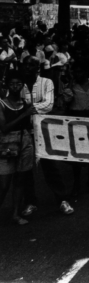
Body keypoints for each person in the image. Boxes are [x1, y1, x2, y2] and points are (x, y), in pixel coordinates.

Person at [20, 56, 75, 216]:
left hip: (43, 131)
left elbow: (48, 104)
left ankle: (62, 199)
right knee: (26, 168)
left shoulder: (46, 82)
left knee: (50, 166)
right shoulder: (19, 84)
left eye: (32, 65)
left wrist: (26, 109)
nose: (28, 68)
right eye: (26, 65)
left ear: (38, 68)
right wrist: (27, 110)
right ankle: (30, 202)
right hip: (25, 131)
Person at [61, 61, 89, 196]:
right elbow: (66, 101)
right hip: (76, 119)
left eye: (80, 71)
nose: (78, 74)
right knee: (77, 153)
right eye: (76, 72)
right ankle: (76, 183)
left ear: (86, 72)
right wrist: (69, 85)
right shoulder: (71, 86)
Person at [0, 70, 35, 225]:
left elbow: (30, 126)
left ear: (23, 86)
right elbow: (4, 128)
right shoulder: (1, 103)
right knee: (4, 183)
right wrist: (24, 114)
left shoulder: (26, 103)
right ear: (7, 85)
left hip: (25, 140)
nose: (15, 86)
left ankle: (15, 214)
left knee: (20, 180)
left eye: (18, 84)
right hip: (6, 142)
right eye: (12, 83)